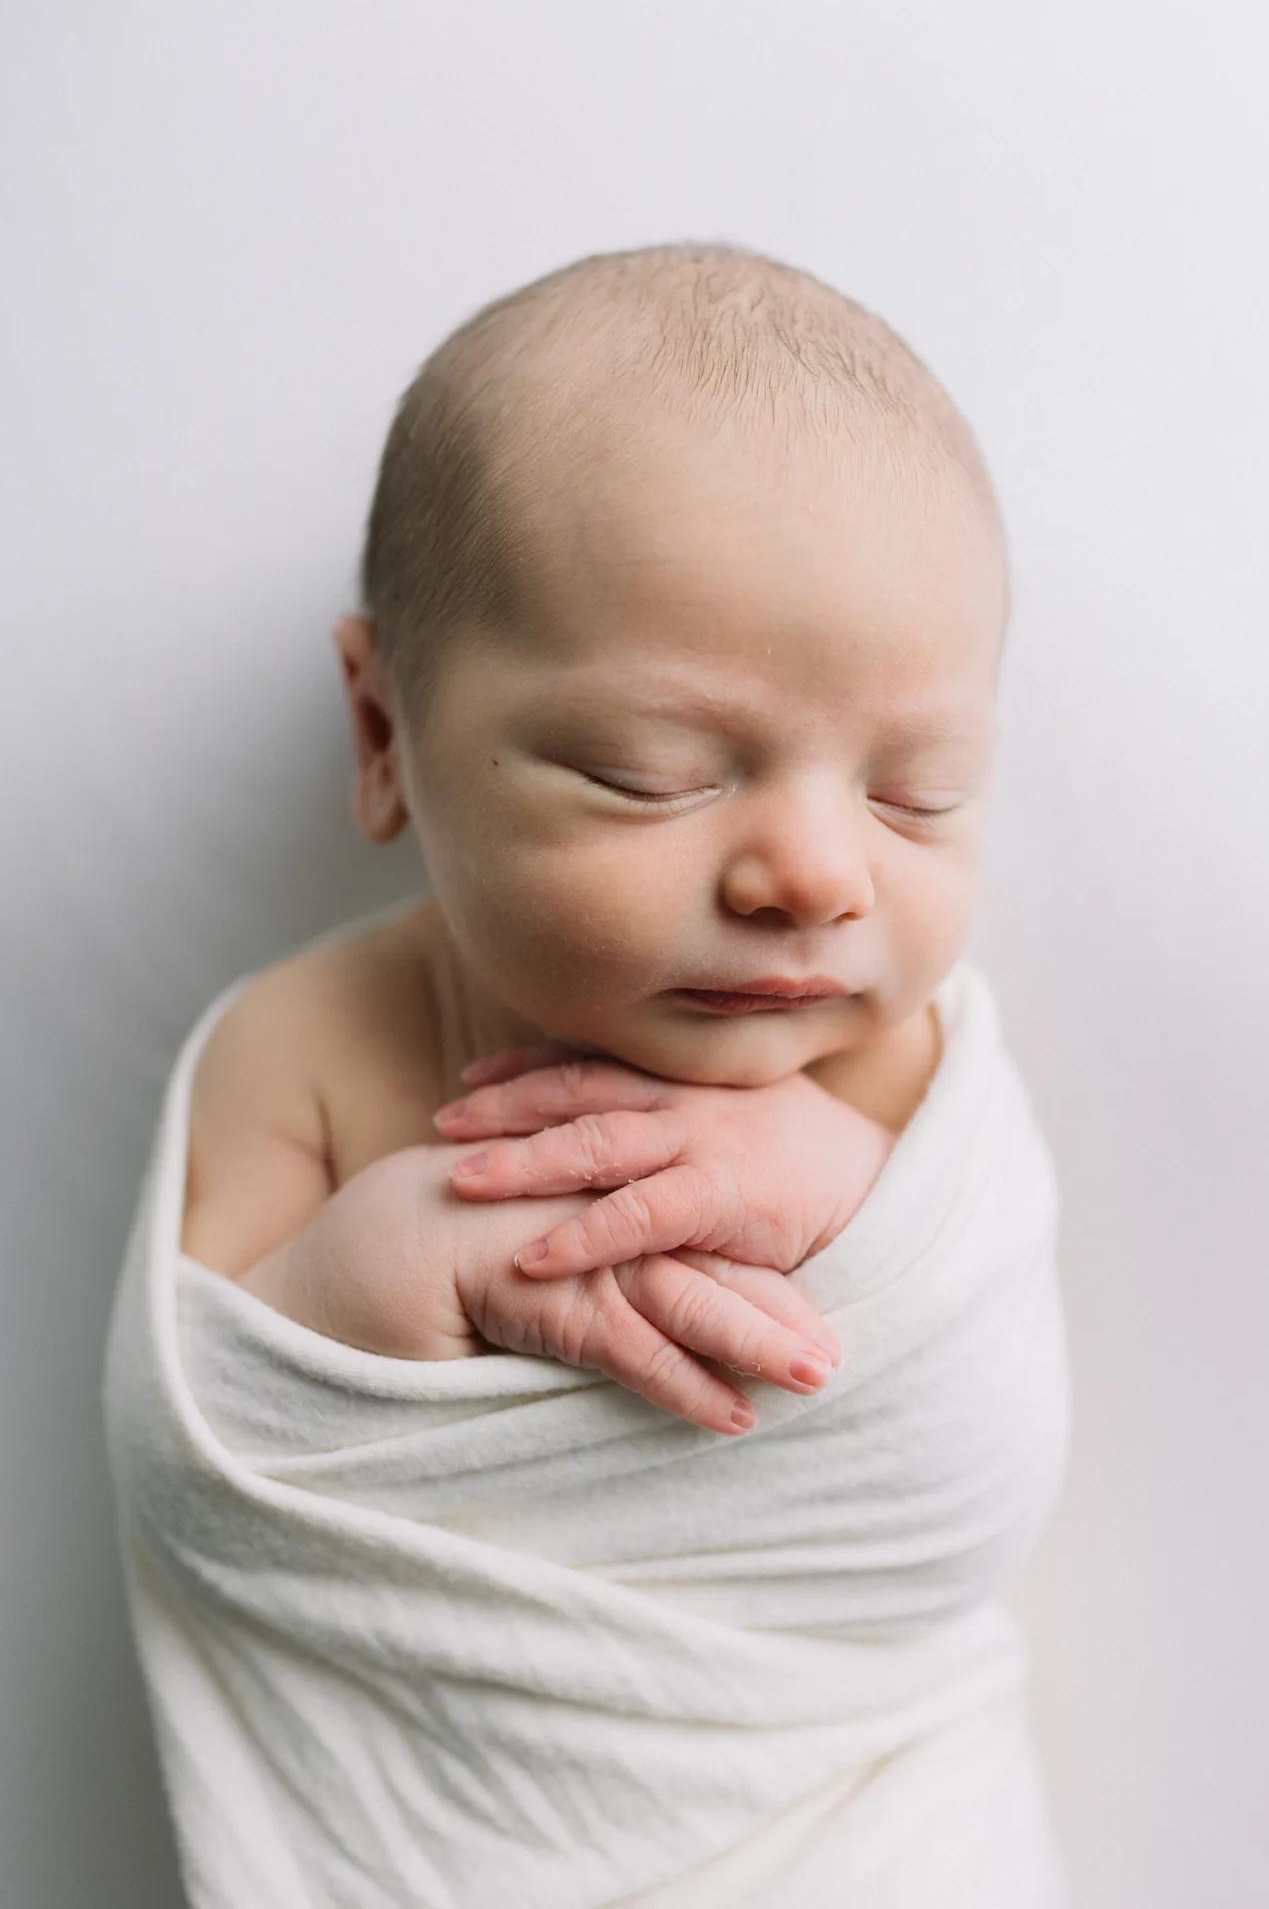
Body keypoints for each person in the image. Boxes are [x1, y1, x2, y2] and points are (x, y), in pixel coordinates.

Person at [107, 243, 1070, 1907]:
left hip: (869, 1819)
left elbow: (971, 1467)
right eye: (655, 774)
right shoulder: (310, 1052)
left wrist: (846, 1197)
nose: (815, 874)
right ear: (384, 732)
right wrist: (393, 1263)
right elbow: (203, 1466)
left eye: (916, 794)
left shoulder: (904, 1075)